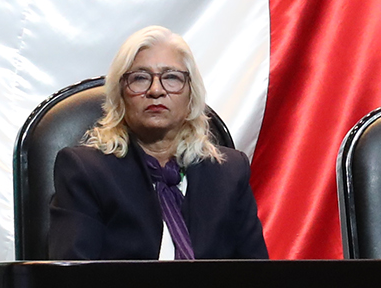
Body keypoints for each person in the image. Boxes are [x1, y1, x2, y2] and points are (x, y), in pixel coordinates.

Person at [46, 26, 269, 261]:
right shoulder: (86, 171)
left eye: (171, 77)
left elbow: (258, 275)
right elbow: (73, 278)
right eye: (140, 78)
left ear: (191, 95)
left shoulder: (230, 172)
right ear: (119, 96)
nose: (155, 90)